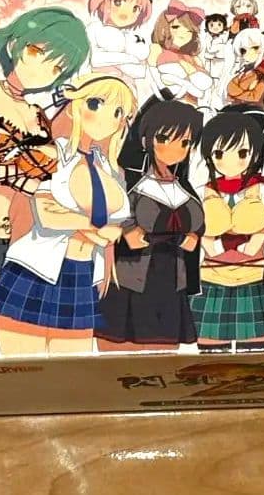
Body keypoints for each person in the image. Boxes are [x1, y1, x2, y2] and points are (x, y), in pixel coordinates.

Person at [0, 7, 89, 356]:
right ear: (15, 44)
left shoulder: (38, 118)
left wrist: (16, 159)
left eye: (56, 67)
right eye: (38, 52)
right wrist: (28, 162)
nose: (43, 69)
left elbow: (39, 180)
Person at [0, 75, 136, 355]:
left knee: (75, 368)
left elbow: (115, 228)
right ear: (74, 106)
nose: (108, 117)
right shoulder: (51, 154)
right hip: (37, 272)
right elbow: (47, 214)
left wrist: (108, 233)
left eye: (119, 112)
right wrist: (94, 228)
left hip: (83, 277)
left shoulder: (112, 170)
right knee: (23, 365)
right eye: (96, 103)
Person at [96, 98, 205, 351]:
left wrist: (193, 237)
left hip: (172, 281)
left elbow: (197, 230)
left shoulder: (186, 188)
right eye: (165, 138)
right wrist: (128, 232)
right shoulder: (130, 182)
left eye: (185, 142)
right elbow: (117, 221)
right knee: (119, 353)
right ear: (147, 140)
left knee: (165, 356)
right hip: (131, 279)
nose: (175, 149)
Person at [193, 109, 264, 352]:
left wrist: (253, 243)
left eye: (241, 153)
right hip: (211, 277)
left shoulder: (263, 190)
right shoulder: (203, 191)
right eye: (219, 153)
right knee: (210, 350)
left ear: (255, 153)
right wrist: (214, 247)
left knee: (255, 350)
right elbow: (198, 228)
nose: (230, 162)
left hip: (253, 276)